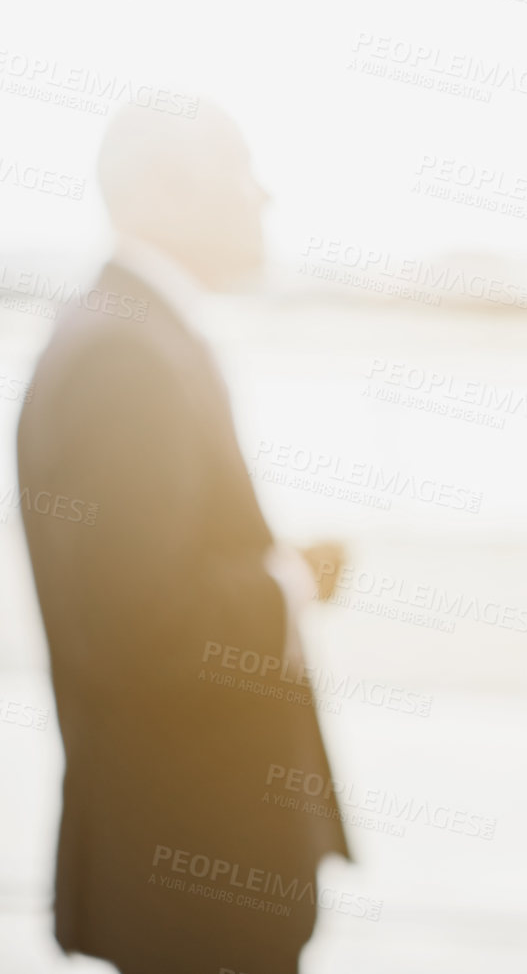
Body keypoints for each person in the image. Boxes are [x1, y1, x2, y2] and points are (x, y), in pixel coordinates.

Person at [16, 102, 350, 974]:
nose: (265, 196)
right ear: (163, 192)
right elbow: (141, 626)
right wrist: (293, 582)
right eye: (241, 170)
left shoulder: (125, 330)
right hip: (194, 871)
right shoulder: (126, 355)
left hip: (184, 860)